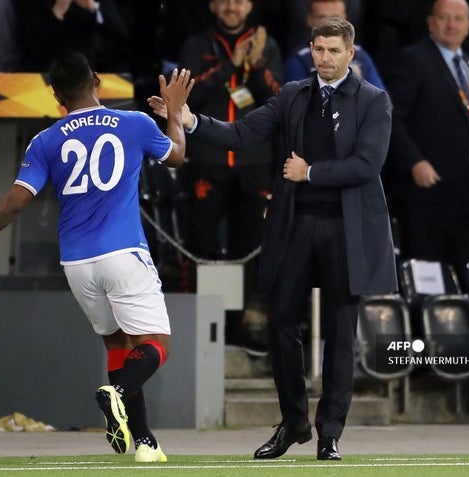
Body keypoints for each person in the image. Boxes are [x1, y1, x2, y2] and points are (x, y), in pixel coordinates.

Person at [151, 16, 396, 461]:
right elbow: (242, 134)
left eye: (334, 51)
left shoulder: (374, 100)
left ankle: (330, 433)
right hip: (296, 224)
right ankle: (294, 423)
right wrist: (188, 119)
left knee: (341, 331)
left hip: (346, 228)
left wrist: (310, 172)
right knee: (280, 321)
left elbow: (368, 165)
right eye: (318, 49)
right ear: (311, 49)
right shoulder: (292, 94)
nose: (325, 58)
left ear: (350, 53)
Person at [0, 51, 193, 463]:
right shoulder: (135, 123)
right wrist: (175, 113)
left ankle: (143, 442)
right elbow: (176, 154)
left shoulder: (46, 140)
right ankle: (117, 393)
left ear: (57, 96)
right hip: (123, 252)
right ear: (97, 81)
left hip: (77, 263)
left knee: (117, 343)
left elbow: (15, 202)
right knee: (156, 345)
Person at [177, 0, 283, 352]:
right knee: (201, 246)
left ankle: (238, 332)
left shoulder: (267, 46)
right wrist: (231, 64)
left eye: (238, 1)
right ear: (212, 5)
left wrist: (257, 65)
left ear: (250, 6)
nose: (231, 7)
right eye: (224, 1)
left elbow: (279, 101)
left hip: (254, 163)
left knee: (247, 249)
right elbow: (187, 96)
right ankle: (198, 329)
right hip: (208, 159)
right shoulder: (196, 45)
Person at [385, 0, 469, 270]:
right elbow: (390, 117)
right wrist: (414, 161)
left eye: (458, 19)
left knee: (464, 273)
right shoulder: (413, 59)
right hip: (425, 193)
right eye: (444, 17)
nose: (451, 25)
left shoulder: (467, 63)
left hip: (462, 189)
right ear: (430, 22)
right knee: (428, 274)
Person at [284, 0, 386, 90]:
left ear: (345, 18)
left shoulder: (360, 56)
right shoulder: (299, 61)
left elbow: (381, 99)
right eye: (322, 18)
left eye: (336, 18)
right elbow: (300, 102)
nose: (330, 25)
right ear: (310, 19)